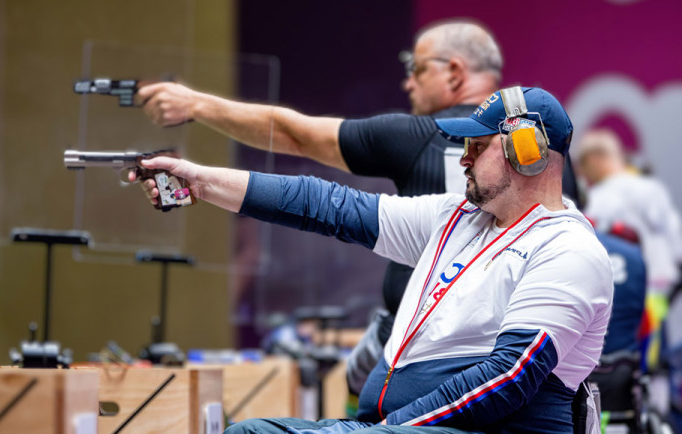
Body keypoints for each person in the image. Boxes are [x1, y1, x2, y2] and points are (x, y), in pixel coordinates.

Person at [131, 86, 613, 433]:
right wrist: (201, 181)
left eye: (477, 146)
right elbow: (325, 205)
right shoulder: (456, 216)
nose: (463, 159)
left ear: (526, 152)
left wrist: (386, 429)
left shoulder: (568, 249)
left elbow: (509, 378)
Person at [139, 19, 504, 394]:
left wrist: (195, 104)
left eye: (417, 68)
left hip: (421, 365)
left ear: (455, 72)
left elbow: (296, 141)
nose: (407, 82)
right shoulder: (541, 160)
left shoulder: (422, 137)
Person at [576, 128, 682, 370]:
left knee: (635, 365)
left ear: (595, 159)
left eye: (583, 165)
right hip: (662, 292)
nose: (583, 174)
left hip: (626, 293)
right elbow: (676, 245)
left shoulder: (598, 200)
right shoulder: (651, 189)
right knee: (655, 365)